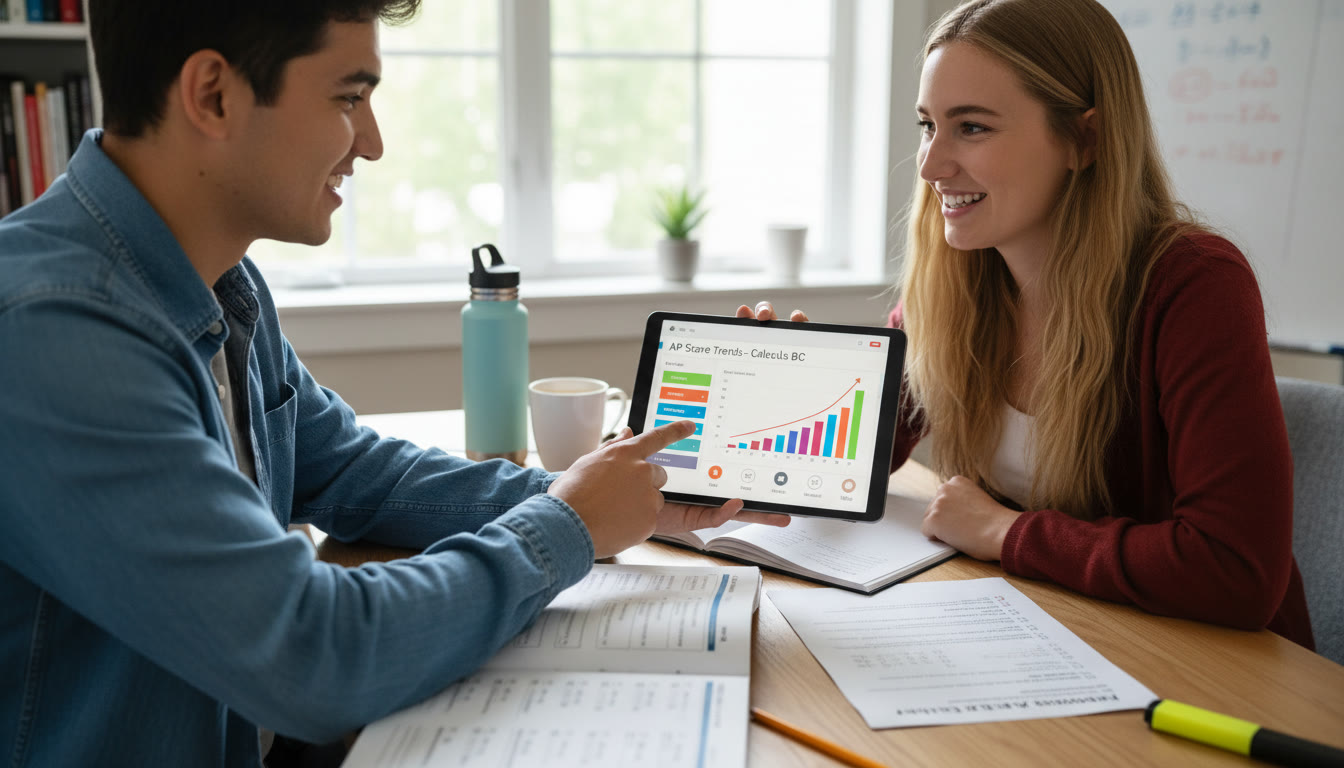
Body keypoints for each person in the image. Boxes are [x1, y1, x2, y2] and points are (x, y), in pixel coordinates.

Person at [0, 1, 785, 765]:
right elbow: (313, 653)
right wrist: (567, 529)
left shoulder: (221, 279)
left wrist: (588, 494)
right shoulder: (54, 332)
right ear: (214, 94)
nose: (370, 144)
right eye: (349, 97)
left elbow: (348, 468)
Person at [739, 0, 1313, 649]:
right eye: (928, 125)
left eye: (973, 128)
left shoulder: (1194, 286)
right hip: (1053, 633)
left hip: (1216, 670)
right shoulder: (959, 279)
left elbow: (1235, 571)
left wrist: (1003, 532)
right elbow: (856, 459)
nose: (931, 165)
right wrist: (781, 392)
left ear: (1084, 139)